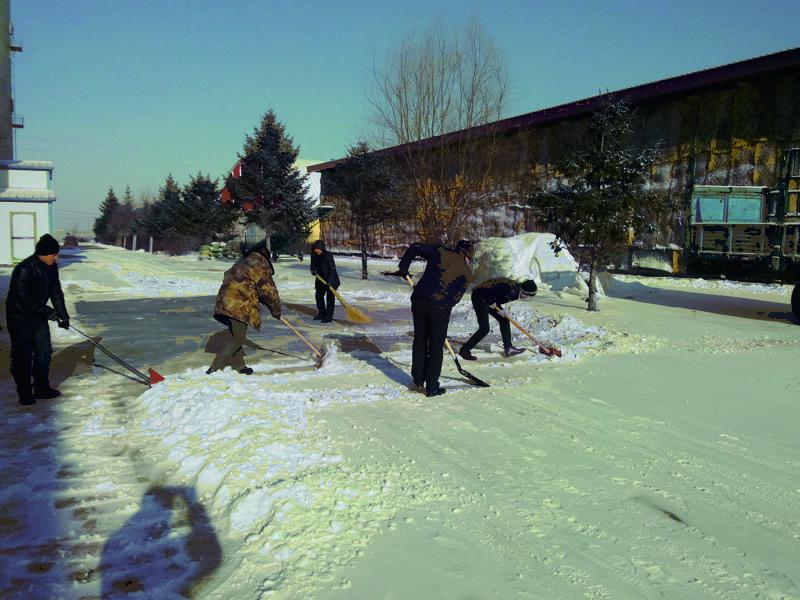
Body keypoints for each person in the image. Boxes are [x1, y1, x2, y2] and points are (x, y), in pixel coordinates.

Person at [393, 239, 474, 397]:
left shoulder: (440, 251)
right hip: (440, 308)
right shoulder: (467, 272)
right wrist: (442, 307)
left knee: (420, 340)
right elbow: (456, 298)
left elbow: (415, 247)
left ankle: (418, 379)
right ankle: (432, 387)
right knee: (436, 347)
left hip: (419, 300)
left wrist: (403, 267)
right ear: (468, 255)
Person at [5, 233, 70, 405]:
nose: (56, 257)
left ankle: (41, 388)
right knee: (23, 356)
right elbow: (22, 298)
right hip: (19, 318)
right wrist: (47, 311)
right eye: (53, 254)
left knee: (44, 352)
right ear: (44, 253)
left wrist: (63, 315)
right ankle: (25, 392)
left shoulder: (51, 267)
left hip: (38, 317)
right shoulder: (24, 269)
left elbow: (56, 292)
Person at [206, 240, 281, 375]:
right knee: (238, 338)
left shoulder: (243, 262)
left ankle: (239, 366)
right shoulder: (261, 265)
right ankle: (215, 368)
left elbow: (238, 280)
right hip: (238, 306)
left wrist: (255, 293)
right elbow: (269, 291)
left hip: (224, 302)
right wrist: (276, 311)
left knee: (237, 335)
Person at [459, 278, 538, 360]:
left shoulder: (515, 291)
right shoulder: (509, 289)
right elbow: (485, 291)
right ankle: (464, 350)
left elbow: (497, 296)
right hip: (479, 298)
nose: (527, 298)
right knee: (484, 328)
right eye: (529, 296)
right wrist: (491, 302)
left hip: (488, 299)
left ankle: (509, 348)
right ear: (525, 293)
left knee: (504, 320)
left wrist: (500, 309)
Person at [309, 239, 339, 323]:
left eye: (318, 249)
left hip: (331, 279)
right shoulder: (313, 255)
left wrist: (330, 282)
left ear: (322, 248)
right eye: (316, 249)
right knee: (318, 296)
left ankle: (329, 316)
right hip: (320, 279)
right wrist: (313, 271)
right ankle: (322, 313)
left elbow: (332, 270)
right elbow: (312, 266)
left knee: (330, 297)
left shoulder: (328, 255)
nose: (317, 250)